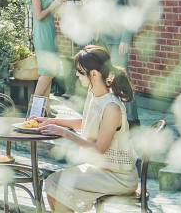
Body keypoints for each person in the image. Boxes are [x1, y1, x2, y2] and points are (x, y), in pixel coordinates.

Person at [37, 45, 138, 213]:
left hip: (118, 177)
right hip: (102, 170)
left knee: (61, 185)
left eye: (80, 71)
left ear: (94, 74)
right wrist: (51, 121)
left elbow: (99, 148)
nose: (76, 74)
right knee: (52, 181)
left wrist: (63, 132)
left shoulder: (111, 106)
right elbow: (88, 122)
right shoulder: (94, 93)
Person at [95, 0, 140, 126]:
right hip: (103, 38)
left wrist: (125, 38)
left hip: (118, 40)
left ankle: (133, 121)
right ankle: (113, 119)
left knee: (121, 79)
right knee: (105, 79)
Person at [27, 0, 64, 117]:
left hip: (50, 32)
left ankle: (45, 109)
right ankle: (34, 109)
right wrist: (53, 5)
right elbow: (39, 15)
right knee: (46, 72)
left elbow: (49, 13)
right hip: (42, 34)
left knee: (50, 71)